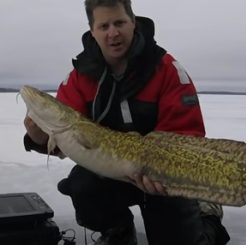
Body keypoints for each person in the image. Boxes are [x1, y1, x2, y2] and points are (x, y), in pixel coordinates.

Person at [23, 0, 230, 244]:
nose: (113, 33)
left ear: (133, 22)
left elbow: (186, 133)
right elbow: (69, 138)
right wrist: (38, 138)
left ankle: (208, 214)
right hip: (116, 174)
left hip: (163, 175)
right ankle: (118, 230)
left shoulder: (166, 69)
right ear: (93, 31)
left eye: (119, 22)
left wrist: (157, 167)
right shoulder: (79, 77)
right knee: (81, 185)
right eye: (104, 26)